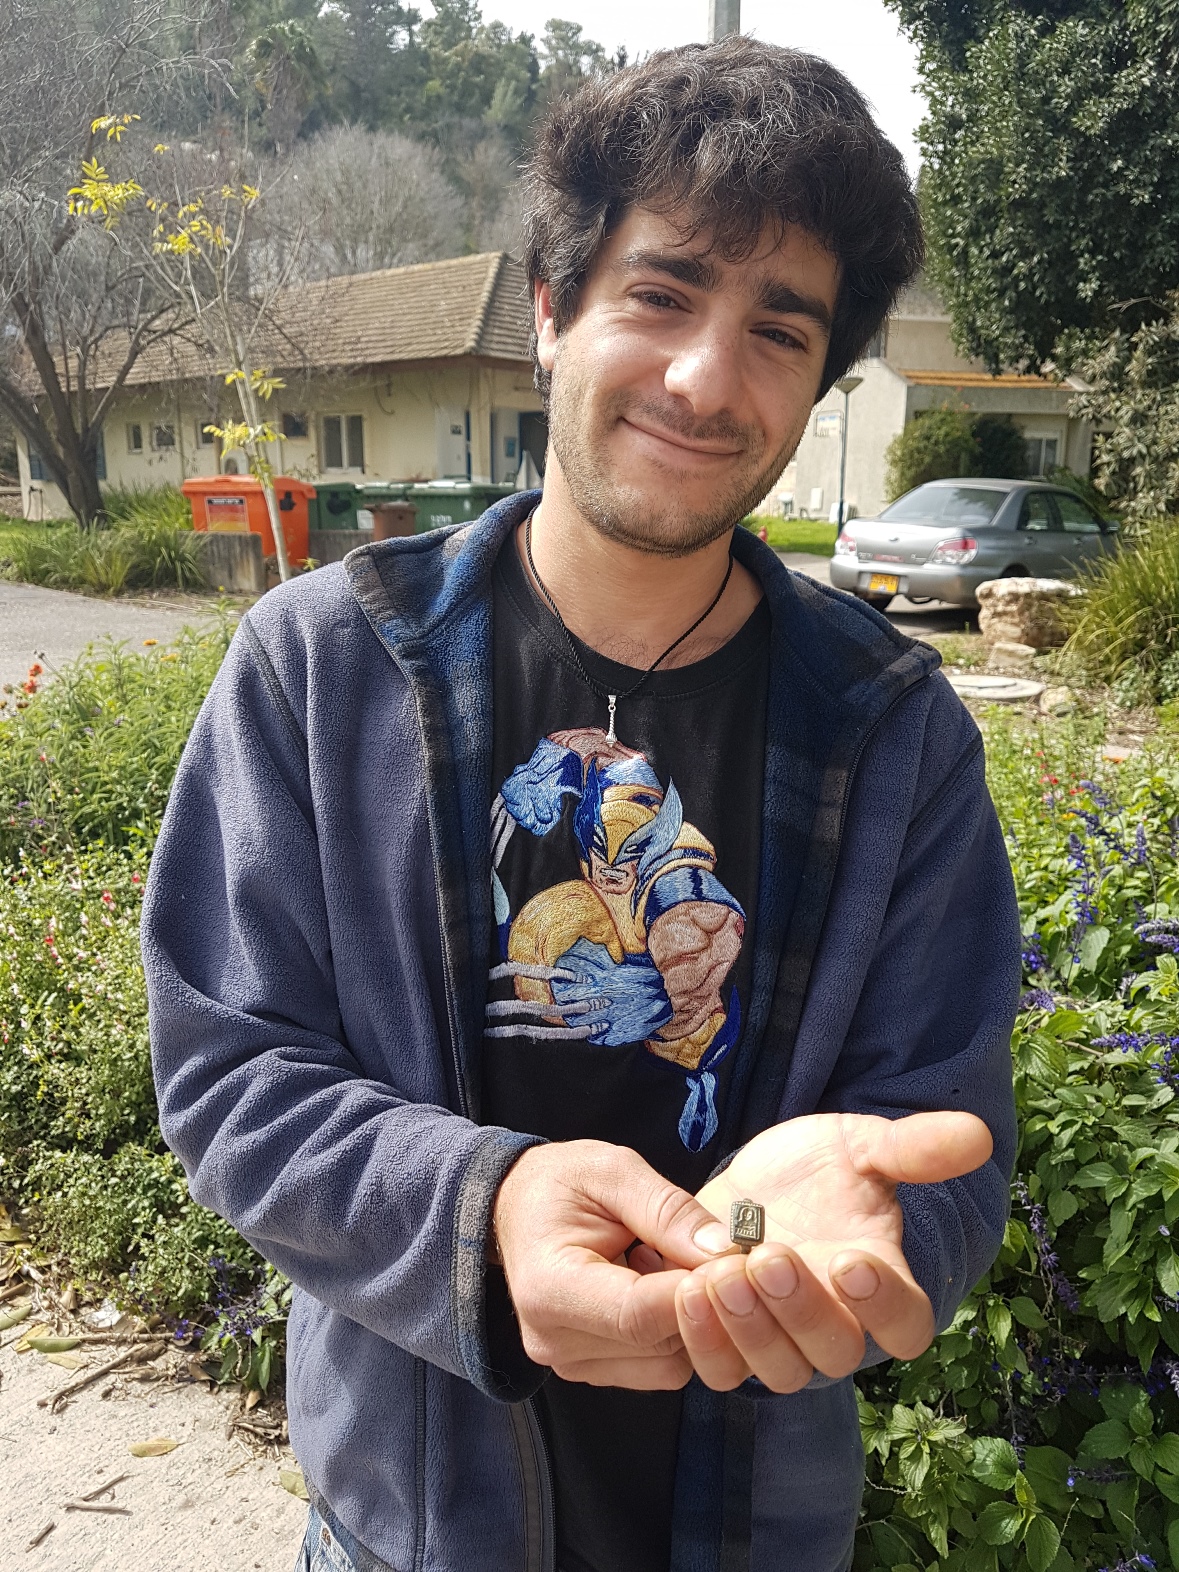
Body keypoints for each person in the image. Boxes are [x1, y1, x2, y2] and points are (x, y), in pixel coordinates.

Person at [143, 36, 1018, 1572]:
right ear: (552, 309)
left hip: (754, 1532)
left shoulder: (897, 739)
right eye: (662, 293)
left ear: (821, 380)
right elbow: (233, 1070)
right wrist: (483, 1215)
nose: (703, 377)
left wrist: (861, 1246)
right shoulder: (322, 667)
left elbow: (945, 1142)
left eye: (778, 329)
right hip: (407, 1527)